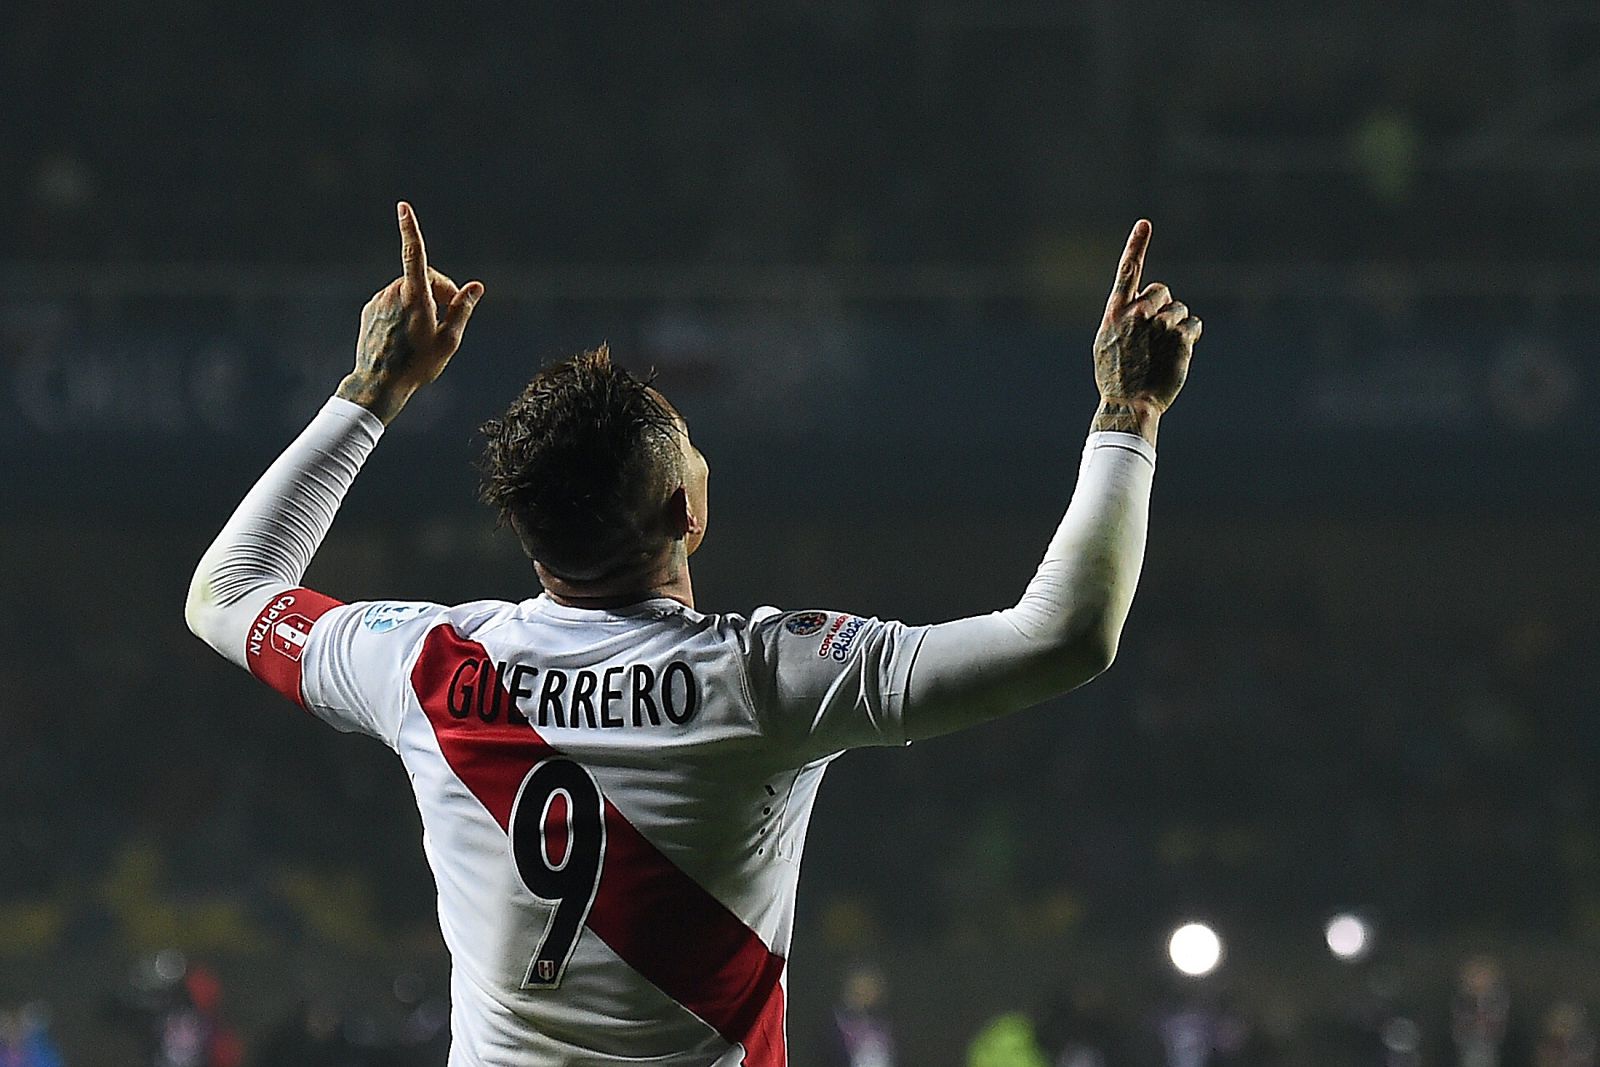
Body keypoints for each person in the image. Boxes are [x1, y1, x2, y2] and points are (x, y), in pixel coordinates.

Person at [185, 203, 1199, 1066]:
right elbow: (1065, 635)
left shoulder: (425, 662)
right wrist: (1128, 409)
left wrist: (372, 391)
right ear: (685, 511)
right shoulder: (768, 675)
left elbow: (230, 590)